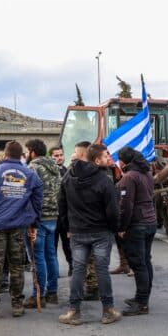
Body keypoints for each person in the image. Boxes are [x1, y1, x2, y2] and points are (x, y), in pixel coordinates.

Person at [0, 141, 43, 320]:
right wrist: (33, 220)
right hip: (17, 225)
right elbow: (38, 200)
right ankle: (17, 305)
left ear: (5, 154)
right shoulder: (30, 174)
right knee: (16, 266)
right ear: (21, 155)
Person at [58, 143, 121, 325]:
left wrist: (68, 227)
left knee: (78, 270)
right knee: (102, 270)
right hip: (101, 231)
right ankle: (108, 310)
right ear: (96, 159)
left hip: (78, 231)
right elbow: (113, 210)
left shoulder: (69, 176)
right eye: (105, 156)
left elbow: (61, 204)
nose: (108, 158)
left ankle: (74, 311)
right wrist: (113, 228)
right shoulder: (104, 180)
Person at [116, 147, 157, 316]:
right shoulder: (146, 173)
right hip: (150, 221)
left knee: (138, 264)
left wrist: (122, 227)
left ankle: (141, 303)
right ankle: (142, 298)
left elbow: (126, 206)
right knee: (145, 261)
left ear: (123, 161)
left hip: (137, 224)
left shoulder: (129, 177)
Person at [23, 139, 61, 308]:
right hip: (53, 215)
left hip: (38, 217)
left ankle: (39, 294)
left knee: (37, 257)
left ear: (32, 151)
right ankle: (52, 292)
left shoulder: (33, 168)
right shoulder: (54, 167)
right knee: (50, 254)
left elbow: (28, 193)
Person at [49, 146, 73, 276]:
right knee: (52, 246)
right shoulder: (48, 172)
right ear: (51, 157)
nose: (59, 158)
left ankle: (72, 267)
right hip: (52, 214)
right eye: (56, 156)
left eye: (61, 155)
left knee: (68, 244)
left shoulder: (67, 171)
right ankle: (54, 271)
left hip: (65, 215)